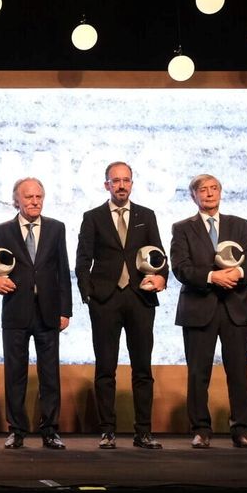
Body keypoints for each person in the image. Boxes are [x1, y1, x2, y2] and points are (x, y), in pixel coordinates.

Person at [75, 161, 167, 450]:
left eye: (126, 180)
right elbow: (82, 260)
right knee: (105, 368)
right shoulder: (93, 217)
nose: (121, 185)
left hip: (140, 298)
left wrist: (162, 277)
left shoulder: (146, 215)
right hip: (105, 300)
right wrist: (88, 295)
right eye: (115, 181)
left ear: (132, 184)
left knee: (142, 368)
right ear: (107, 185)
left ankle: (144, 432)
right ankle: (107, 431)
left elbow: (159, 254)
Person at [170, 174, 247, 449]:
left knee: (238, 372)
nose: (209, 193)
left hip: (236, 307)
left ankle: (242, 430)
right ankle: (201, 430)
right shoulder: (182, 228)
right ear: (193, 196)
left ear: (220, 192)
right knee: (198, 373)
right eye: (203, 190)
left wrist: (237, 273)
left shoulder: (239, 225)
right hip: (199, 308)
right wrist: (212, 277)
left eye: (214, 188)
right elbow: (180, 267)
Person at [0, 177, 71, 450]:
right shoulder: (2, 231)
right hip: (16, 311)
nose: (34, 202)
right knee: (15, 374)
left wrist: (65, 310)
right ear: (16, 201)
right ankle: (16, 430)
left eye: (38, 197)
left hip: (48, 312)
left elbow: (62, 270)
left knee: (50, 374)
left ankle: (50, 430)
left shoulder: (56, 228)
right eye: (29, 197)